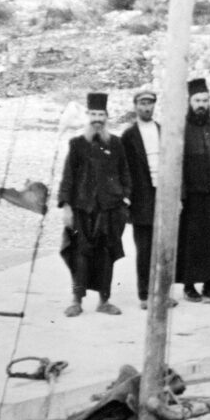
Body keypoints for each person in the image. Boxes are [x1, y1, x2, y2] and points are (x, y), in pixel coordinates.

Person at [58, 91, 131, 317]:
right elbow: (68, 177)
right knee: (79, 254)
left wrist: (125, 199)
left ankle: (104, 301)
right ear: (88, 116)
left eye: (101, 114)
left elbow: (125, 175)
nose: (97, 119)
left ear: (107, 117)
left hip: (109, 210)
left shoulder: (116, 144)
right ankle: (76, 301)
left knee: (106, 254)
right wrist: (66, 206)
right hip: (82, 209)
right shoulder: (77, 144)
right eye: (94, 114)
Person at [175, 77, 210, 303]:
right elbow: (177, 162)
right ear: (189, 102)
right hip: (191, 194)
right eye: (197, 100)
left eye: (205, 100)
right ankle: (189, 285)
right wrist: (179, 194)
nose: (202, 104)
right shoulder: (181, 127)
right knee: (192, 240)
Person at [120, 89, 162, 310]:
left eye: (150, 103)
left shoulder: (162, 131)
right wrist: (127, 200)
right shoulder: (129, 136)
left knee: (161, 248)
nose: (147, 108)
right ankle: (145, 294)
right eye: (142, 104)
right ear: (135, 106)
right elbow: (125, 169)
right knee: (144, 249)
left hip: (161, 196)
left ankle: (161, 293)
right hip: (141, 199)